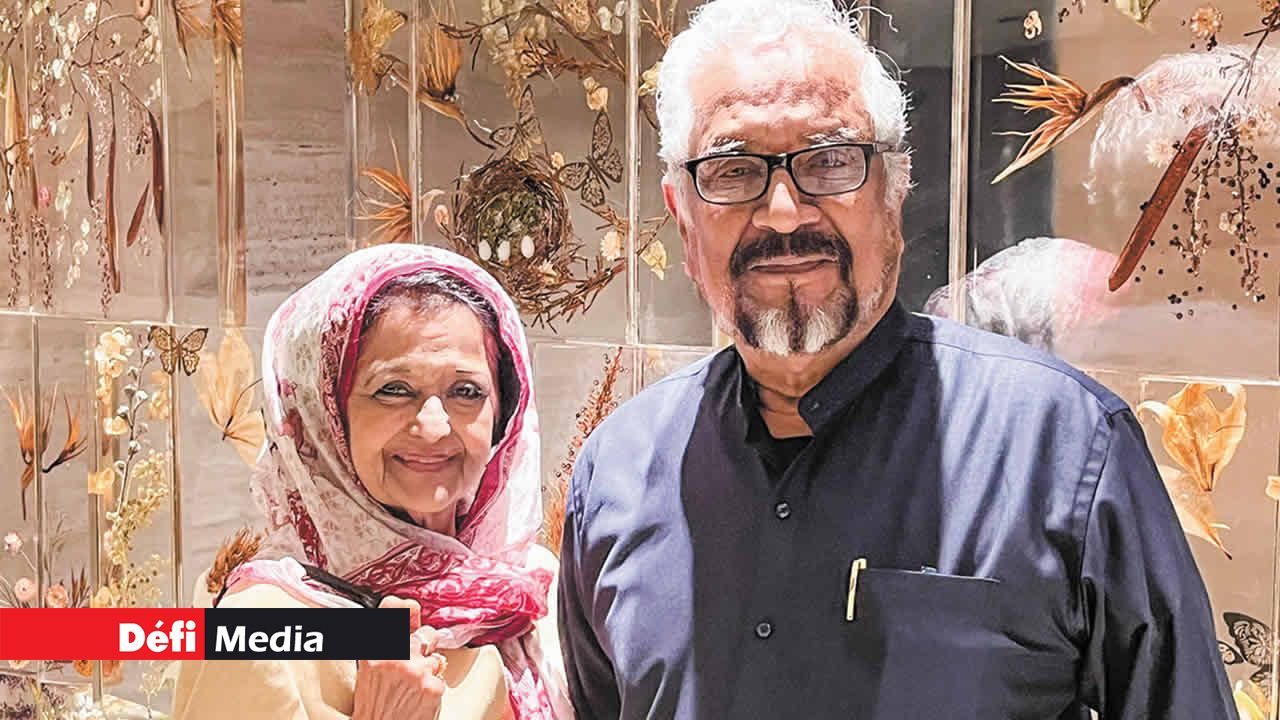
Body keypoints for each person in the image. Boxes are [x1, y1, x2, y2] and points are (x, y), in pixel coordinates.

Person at [556, 0, 1235, 718]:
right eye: (732, 169)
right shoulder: (616, 476)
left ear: (895, 193)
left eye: (829, 161)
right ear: (682, 215)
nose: (783, 212)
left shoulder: (1066, 451)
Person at [174, 245, 570, 720]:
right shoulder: (262, 629)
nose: (434, 426)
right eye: (393, 390)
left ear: (504, 411)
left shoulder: (533, 591)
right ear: (325, 420)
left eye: (465, 391)